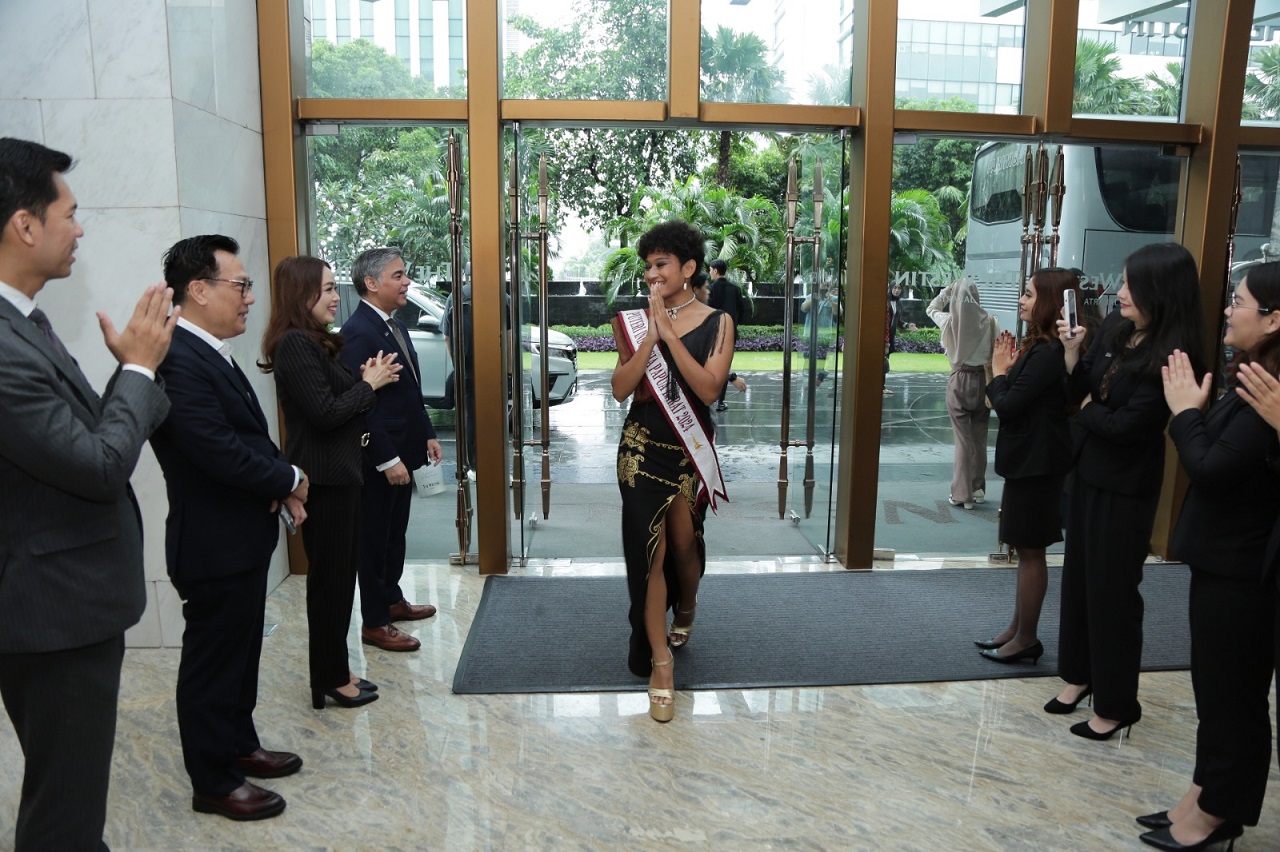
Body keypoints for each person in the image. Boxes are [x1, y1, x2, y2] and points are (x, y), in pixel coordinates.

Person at [0, 138, 176, 850]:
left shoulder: (23, 325)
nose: (80, 228)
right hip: (50, 611)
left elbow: (71, 448)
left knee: (69, 798)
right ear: (24, 225)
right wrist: (136, 372)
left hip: (62, 603)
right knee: (64, 815)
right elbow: (99, 466)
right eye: (70, 213)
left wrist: (133, 376)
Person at [150, 235, 309, 821]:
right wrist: (289, 475)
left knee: (241, 654)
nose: (248, 298)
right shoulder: (176, 357)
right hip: (211, 542)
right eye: (239, 285)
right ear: (197, 290)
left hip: (240, 536)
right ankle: (213, 779)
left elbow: (248, 437)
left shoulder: (210, 350)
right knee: (212, 662)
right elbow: (215, 450)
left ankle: (238, 745)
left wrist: (280, 478)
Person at [1132, 264, 1280, 852]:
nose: (1228, 309)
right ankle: (1204, 792)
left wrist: (1184, 412)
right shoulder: (1256, 376)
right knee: (1216, 691)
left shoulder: (1269, 388)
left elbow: (1213, 469)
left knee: (1234, 696)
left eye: (1239, 301)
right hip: (1224, 560)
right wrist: (1192, 413)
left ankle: (1221, 810)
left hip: (1245, 567)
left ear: (1273, 318)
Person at [1050, 242, 1205, 741]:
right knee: (1078, 583)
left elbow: (1128, 427)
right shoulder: (1116, 331)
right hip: (1088, 474)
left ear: (1160, 291)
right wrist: (1074, 358)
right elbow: (1079, 397)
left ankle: (1117, 704)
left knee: (1113, 595)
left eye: (1131, 286)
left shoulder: (1176, 355)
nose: (1120, 293)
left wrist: (1091, 409)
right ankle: (1079, 675)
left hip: (1127, 488)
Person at [259, 256, 402, 709]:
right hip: (323, 481)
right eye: (327, 290)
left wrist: (361, 381)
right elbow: (324, 415)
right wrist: (370, 386)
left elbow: (332, 401)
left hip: (340, 476)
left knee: (339, 583)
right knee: (331, 585)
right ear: (302, 296)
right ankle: (329, 676)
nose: (336, 297)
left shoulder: (314, 342)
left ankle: (335, 669)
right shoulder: (295, 345)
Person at [611, 220, 733, 723]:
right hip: (641, 449)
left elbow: (708, 390)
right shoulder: (633, 322)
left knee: (684, 545)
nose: (651, 274)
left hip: (687, 451)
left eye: (661, 264)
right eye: (647, 266)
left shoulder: (719, 321)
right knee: (651, 552)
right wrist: (648, 340)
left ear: (688, 268)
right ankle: (661, 662)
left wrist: (669, 333)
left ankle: (686, 609)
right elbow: (621, 389)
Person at [339, 247, 443, 653]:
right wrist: (387, 458)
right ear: (371, 283)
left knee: (394, 535)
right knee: (374, 539)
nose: (407, 282)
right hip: (381, 459)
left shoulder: (390, 324)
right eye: (398, 275)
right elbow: (363, 404)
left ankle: (392, 600)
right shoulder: (358, 332)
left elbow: (408, 391)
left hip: (406, 449)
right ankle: (375, 621)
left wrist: (428, 434)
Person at [975, 269, 1077, 665]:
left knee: (1031, 552)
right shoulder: (1041, 349)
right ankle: (1017, 629)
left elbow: (1009, 406)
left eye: (1030, 295)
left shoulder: (1050, 353)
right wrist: (1009, 371)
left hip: (1038, 466)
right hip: (1029, 464)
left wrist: (1000, 371)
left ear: (1050, 302)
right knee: (1024, 548)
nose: (1022, 300)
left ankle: (1027, 638)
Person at [927, 278, 997, 510]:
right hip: (983, 381)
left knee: (963, 440)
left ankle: (961, 493)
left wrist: (947, 293)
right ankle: (977, 488)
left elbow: (931, 308)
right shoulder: (990, 322)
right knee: (979, 437)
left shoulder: (949, 322)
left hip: (959, 380)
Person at [708, 259, 745, 410]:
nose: (710, 272)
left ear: (715, 271)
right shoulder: (735, 289)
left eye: (710, 270)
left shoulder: (710, 289)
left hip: (714, 332)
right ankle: (720, 402)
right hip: (730, 332)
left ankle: (710, 398)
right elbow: (742, 310)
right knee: (725, 363)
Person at [800, 279, 841, 384]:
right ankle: (809, 381)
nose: (825, 287)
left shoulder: (835, 298)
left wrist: (830, 300)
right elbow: (803, 308)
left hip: (824, 336)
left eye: (827, 285)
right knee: (807, 359)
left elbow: (838, 313)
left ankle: (818, 382)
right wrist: (815, 298)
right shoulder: (811, 296)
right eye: (822, 285)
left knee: (821, 360)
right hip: (810, 334)